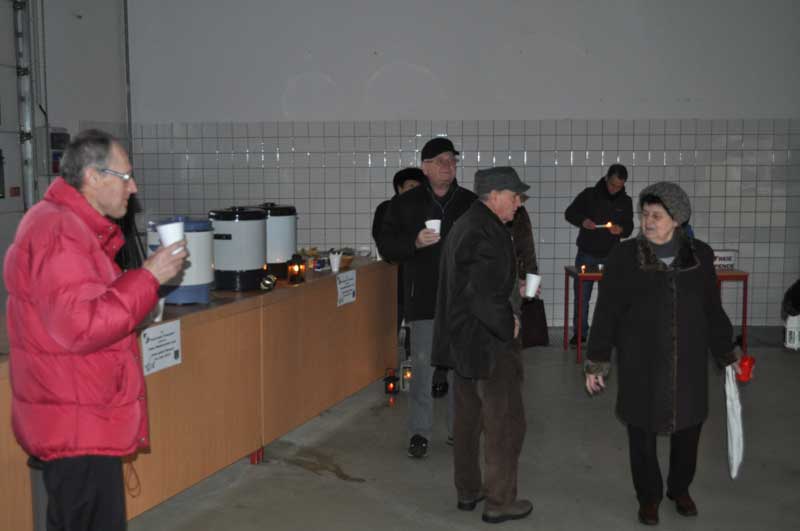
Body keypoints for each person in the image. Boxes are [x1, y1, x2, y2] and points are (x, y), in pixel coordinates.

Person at [3, 129, 187, 531]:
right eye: (126, 176)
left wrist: (141, 285)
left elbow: (87, 305)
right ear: (93, 177)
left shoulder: (66, 225)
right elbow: (81, 327)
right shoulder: (60, 233)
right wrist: (148, 278)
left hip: (79, 412)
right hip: (75, 419)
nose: (133, 188)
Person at [584, 181, 741, 526]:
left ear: (677, 219)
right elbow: (607, 312)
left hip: (688, 362)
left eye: (656, 215)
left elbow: (712, 310)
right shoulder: (624, 256)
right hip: (641, 362)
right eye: (644, 214)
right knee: (641, 433)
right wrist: (597, 362)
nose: (647, 222)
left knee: (689, 430)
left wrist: (728, 353)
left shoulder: (700, 256)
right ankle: (649, 497)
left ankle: (679, 489)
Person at [432, 166, 532, 524]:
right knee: (505, 423)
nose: (519, 203)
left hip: (463, 342)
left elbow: (471, 283)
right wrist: (509, 323)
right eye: (515, 196)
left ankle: (468, 490)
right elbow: (481, 293)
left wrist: (511, 291)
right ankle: (500, 501)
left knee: (468, 421)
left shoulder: (467, 224)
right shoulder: (486, 231)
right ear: (495, 195)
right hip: (489, 345)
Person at [378, 137, 476, 459]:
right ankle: (419, 432)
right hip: (423, 298)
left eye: (452, 160)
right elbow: (387, 246)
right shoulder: (406, 204)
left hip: (462, 300)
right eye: (441, 160)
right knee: (422, 367)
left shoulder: (469, 202)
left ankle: (459, 431)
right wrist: (414, 243)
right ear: (425, 167)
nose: (448, 165)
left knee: (461, 369)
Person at [564, 163, 633, 345]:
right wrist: (583, 221)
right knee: (582, 297)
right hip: (587, 254)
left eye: (619, 186)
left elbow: (629, 227)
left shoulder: (625, 201)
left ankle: (606, 334)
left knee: (609, 299)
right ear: (606, 178)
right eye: (612, 185)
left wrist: (621, 230)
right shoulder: (589, 195)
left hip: (611, 256)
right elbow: (569, 213)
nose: (614, 189)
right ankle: (580, 334)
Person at [372, 168, 426, 331]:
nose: (415, 191)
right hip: (394, 279)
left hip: (421, 282)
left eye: (419, 187)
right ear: (399, 188)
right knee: (390, 329)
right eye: (411, 187)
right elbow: (383, 242)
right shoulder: (386, 209)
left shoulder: (426, 209)